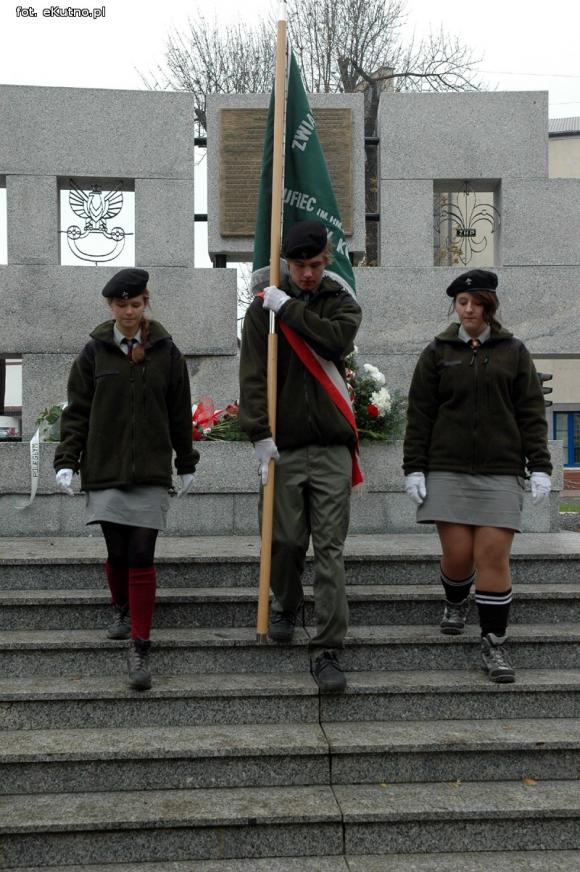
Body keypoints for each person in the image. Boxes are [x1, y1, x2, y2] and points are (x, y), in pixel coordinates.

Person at [403, 269, 552, 683]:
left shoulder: (513, 351)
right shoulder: (437, 352)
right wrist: (414, 467)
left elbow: (530, 413)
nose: (469, 310)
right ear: (455, 305)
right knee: (459, 557)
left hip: (501, 469)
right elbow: (420, 415)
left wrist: (539, 465)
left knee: (491, 555)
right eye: (462, 303)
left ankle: (494, 643)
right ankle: (455, 599)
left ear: (490, 306)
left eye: (477, 304)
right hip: (446, 467)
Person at [54, 268, 198, 691]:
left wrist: (185, 461)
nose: (129, 311)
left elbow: (179, 411)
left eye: (136, 304)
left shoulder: (167, 352)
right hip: (105, 468)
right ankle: (120, 607)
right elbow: (76, 412)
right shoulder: (93, 353)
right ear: (110, 306)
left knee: (141, 552)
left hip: (151, 470)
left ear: (145, 303)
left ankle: (140, 644)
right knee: (117, 551)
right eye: (122, 305)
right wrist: (68, 459)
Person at [239, 220, 362, 693]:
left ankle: (329, 648)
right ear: (285, 263)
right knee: (284, 541)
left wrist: (288, 307)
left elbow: (335, 342)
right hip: (284, 446)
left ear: (325, 261)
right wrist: (257, 432)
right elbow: (253, 374)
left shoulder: (341, 303)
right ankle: (286, 602)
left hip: (331, 447)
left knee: (330, 550)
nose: (307, 274)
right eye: (298, 266)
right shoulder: (259, 313)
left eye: (314, 265)